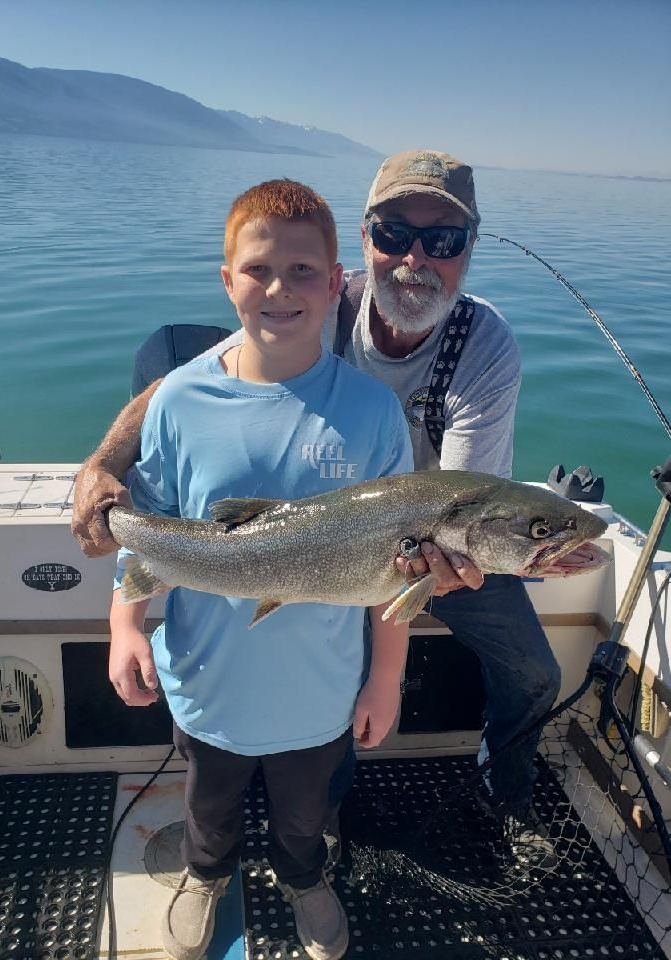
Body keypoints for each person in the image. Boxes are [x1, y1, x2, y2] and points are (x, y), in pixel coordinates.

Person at [74, 150, 561, 848]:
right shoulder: (319, 296)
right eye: (395, 233)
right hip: (328, 531)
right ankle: (321, 823)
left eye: (443, 239)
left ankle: (504, 793)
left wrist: (514, 551)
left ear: (469, 249)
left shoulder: (485, 344)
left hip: (432, 540)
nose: (415, 257)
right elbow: (187, 385)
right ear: (364, 242)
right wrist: (102, 465)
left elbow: (466, 503)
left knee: (535, 672)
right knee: (332, 670)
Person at [108, 179, 413, 960]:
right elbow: (149, 529)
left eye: (304, 271)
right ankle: (204, 873)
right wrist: (124, 625)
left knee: (304, 815)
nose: (281, 289)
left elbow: (398, 569)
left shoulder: (372, 411)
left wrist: (384, 678)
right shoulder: (179, 400)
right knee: (208, 808)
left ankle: (303, 877)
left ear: (337, 281)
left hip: (321, 689)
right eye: (259, 270)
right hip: (208, 681)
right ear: (227, 281)